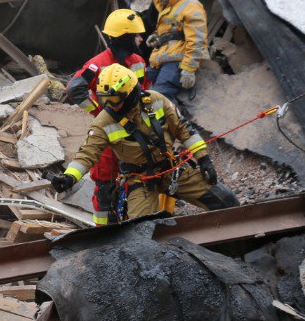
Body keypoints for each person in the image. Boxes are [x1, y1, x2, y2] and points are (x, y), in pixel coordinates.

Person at [50, 64, 238, 219]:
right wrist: (69, 178)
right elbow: (87, 155)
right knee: (140, 229)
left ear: (131, 92)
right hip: (140, 179)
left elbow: (183, 128)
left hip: (172, 169)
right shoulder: (103, 122)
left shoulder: (156, 100)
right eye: (105, 100)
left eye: (115, 99)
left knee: (225, 200)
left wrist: (203, 158)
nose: (110, 105)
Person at [64, 9, 150, 225]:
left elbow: (145, 93)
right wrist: (99, 113)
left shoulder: (138, 61)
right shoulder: (98, 63)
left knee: (139, 182)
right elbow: (74, 89)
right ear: (125, 37)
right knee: (105, 188)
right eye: (137, 35)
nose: (141, 39)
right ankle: (102, 233)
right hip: (109, 136)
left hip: (135, 133)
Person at [142, 0, 207, 103]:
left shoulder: (192, 6)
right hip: (162, 58)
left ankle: (165, 122)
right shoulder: (167, 5)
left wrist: (189, 69)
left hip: (177, 61)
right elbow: (170, 30)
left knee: (157, 100)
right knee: (145, 88)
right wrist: (157, 37)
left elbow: (196, 40)